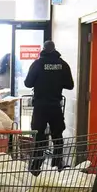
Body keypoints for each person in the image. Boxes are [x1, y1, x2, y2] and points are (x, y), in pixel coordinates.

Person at [24, 41, 73, 171]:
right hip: (55, 106)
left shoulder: (38, 64)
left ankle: (36, 166)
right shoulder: (62, 65)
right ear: (54, 49)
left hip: (40, 106)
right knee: (57, 135)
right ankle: (57, 165)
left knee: (39, 135)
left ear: (43, 49)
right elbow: (70, 85)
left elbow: (28, 83)